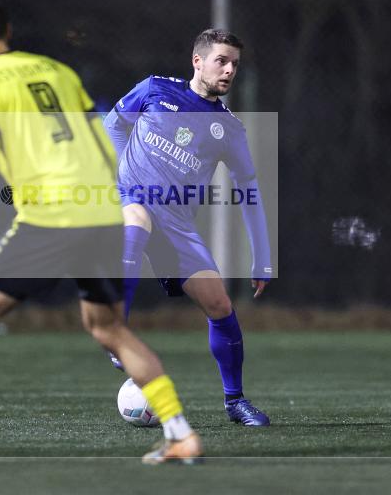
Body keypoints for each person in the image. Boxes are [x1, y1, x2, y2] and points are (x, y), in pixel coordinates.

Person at [0, 0, 201, 468]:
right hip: (101, 211)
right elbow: (100, 139)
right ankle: (180, 434)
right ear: (8, 30)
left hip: (52, 217)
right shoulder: (58, 70)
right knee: (109, 327)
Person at [102, 29, 273, 427]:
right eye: (221, 61)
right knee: (136, 224)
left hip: (178, 224)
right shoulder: (154, 88)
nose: (229, 70)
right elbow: (113, 126)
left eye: (234, 64)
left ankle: (236, 401)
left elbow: (249, 190)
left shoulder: (228, 128)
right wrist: (120, 178)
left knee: (220, 307)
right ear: (198, 61)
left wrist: (262, 258)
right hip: (135, 200)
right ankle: (116, 334)